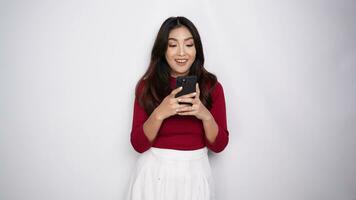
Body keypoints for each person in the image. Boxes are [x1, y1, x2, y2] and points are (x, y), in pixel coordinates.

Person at [126, 16, 229, 200]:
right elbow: (138, 145)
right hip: (153, 176)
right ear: (163, 49)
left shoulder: (212, 87)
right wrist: (160, 113)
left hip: (195, 176)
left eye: (189, 45)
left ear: (197, 48)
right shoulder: (147, 86)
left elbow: (219, 146)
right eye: (173, 45)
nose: (182, 53)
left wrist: (205, 115)